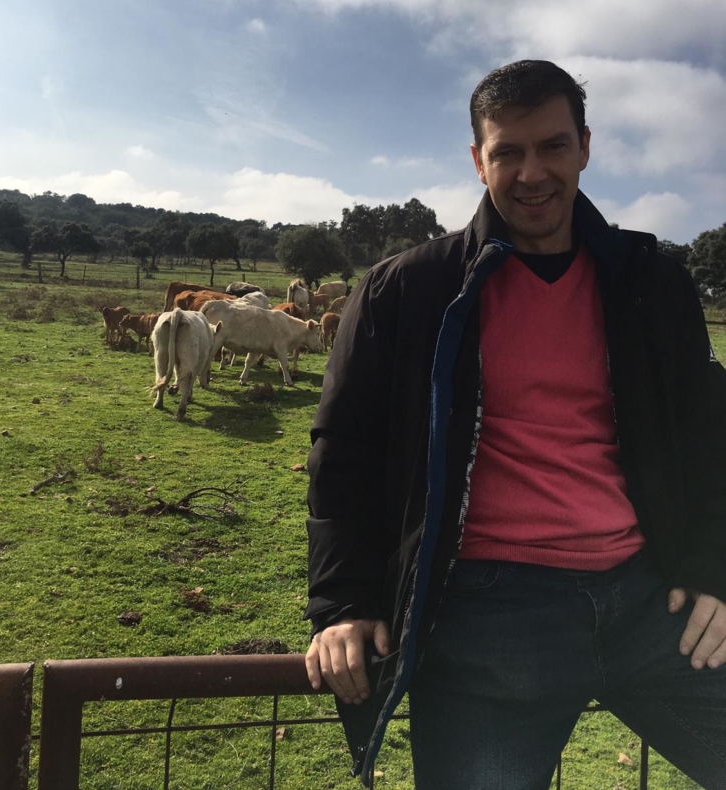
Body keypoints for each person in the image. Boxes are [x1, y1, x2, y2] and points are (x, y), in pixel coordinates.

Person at [304, 59, 726, 789]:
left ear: (584, 147)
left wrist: (712, 569)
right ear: (478, 161)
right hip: (486, 621)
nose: (532, 173)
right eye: (508, 152)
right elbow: (344, 452)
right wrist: (343, 603)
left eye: (552, 146)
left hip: (652, 601)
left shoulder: (651, 283)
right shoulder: (408, 290)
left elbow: (708, 434)